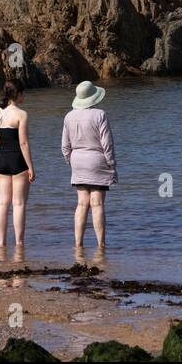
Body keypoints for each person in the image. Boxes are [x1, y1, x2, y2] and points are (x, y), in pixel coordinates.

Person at [61, 81, 117, 249]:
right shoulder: (100, 115)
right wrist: (112, 165)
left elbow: (65, 147)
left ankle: (78, 244)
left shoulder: (69, 116)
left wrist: (71, 162)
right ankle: (101, 245)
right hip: (97, 160)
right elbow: (107, 144)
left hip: (77, 161)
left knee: (81, 203)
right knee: (97, 203)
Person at [0, 79, 34, 248]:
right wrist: (30, 166)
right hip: (18, 160)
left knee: (2, 202)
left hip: (1, 159)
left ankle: (1, 243)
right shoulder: (21, 114)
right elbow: (23, 144)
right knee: (19, 203)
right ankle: (19, 243)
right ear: (19, 94)